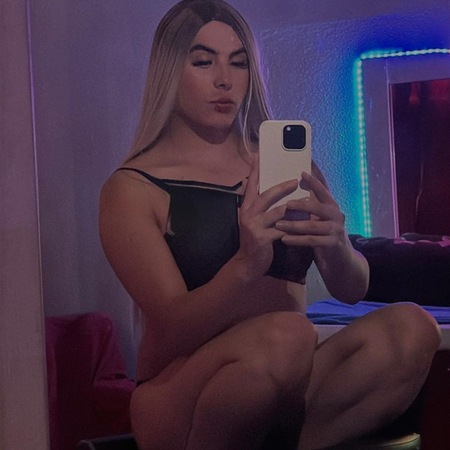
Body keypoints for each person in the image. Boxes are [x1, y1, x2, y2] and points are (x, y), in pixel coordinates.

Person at [99, 1, 441, 448]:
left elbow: (352, 289)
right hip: (180, 394)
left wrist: (337, 244)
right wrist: (245, 265)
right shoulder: (133, 188)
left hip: (288, 375)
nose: (224, 79)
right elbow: (172, 327)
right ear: (169, 70)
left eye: (238, 63)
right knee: (286, 335)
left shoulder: (286, 166)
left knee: (412, 329)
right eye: (203, 62)